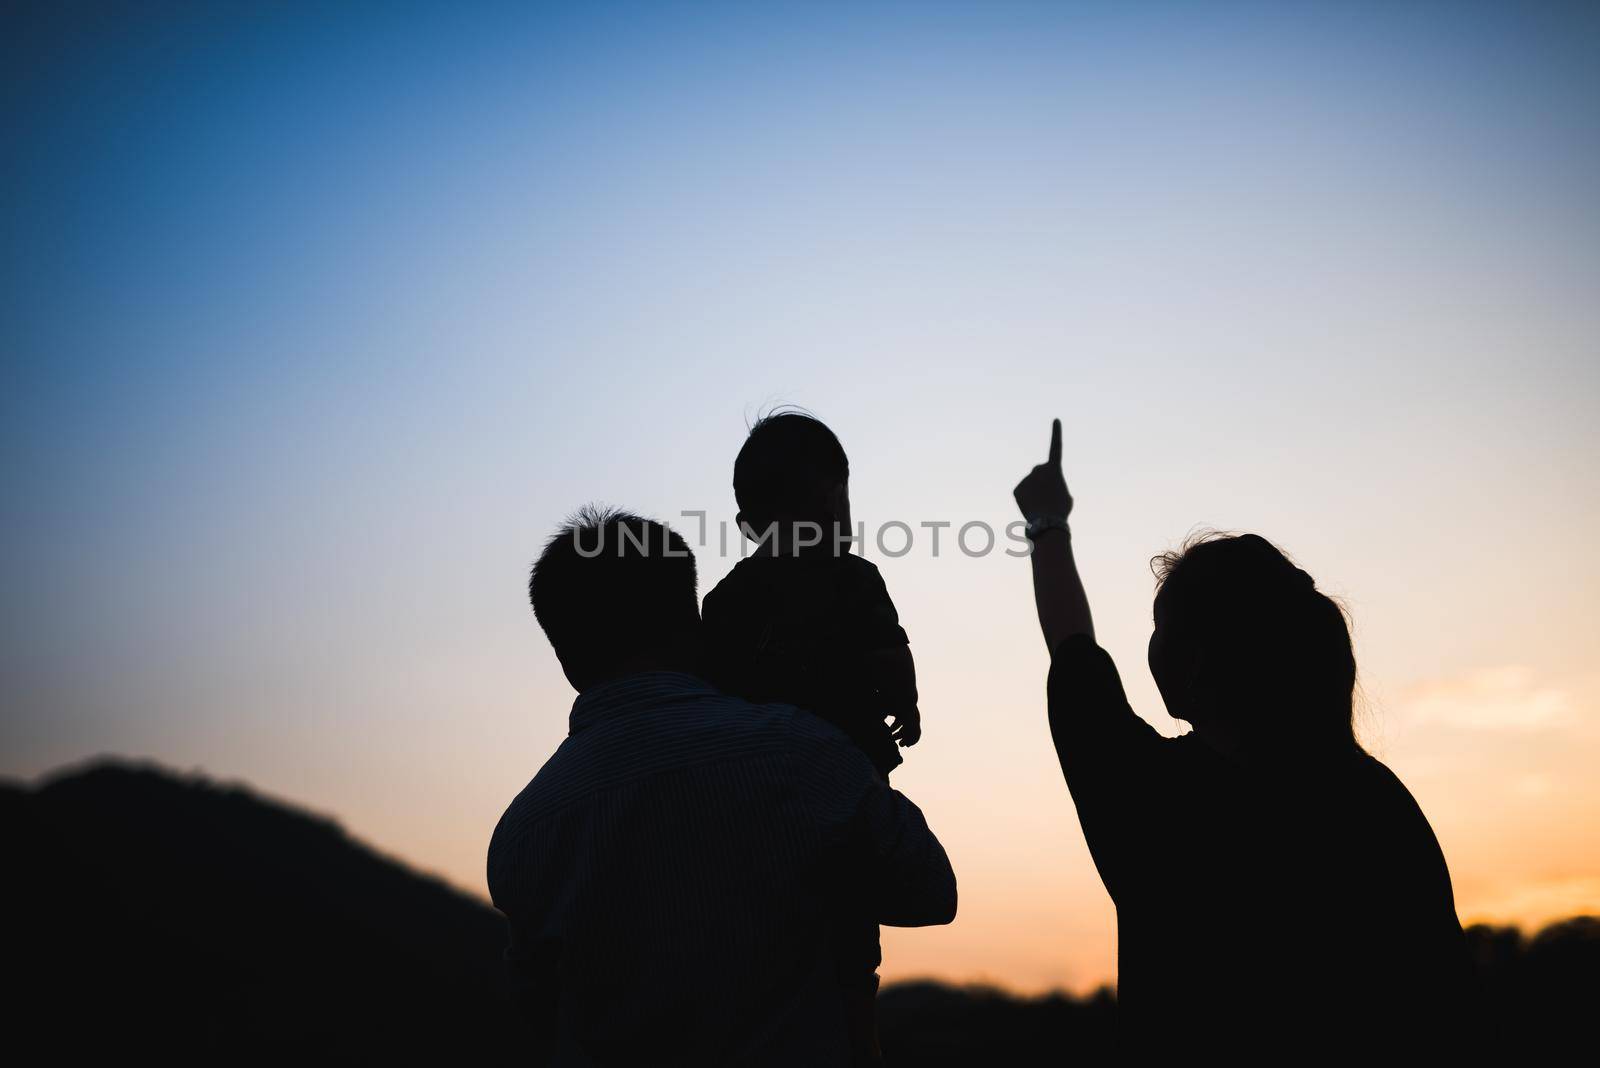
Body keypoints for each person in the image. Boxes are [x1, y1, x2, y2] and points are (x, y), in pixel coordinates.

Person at [1013, 419, 1474, 1057]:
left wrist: (1046, 524)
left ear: (1197, 661)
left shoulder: (1157, 800)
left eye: (1160, 628)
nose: (1148, 648)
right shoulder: (1379, 804)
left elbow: (1073, 648)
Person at [488, 506, 956, 1066]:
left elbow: (537, 1017)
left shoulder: (522, 834)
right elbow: (930, 890)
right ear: (694, 622)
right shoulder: (798, 751)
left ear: (564, 655)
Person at [701, 411, 921, 1061]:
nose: (838, 522)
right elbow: (890, 652)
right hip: (805, 802)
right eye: (832, 504)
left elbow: (890, 651)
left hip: (784, 808)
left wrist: (904, 700)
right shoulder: (750, 601)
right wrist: (901, 698)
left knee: (839, 963)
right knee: (841, 966)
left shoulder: (737, 601)